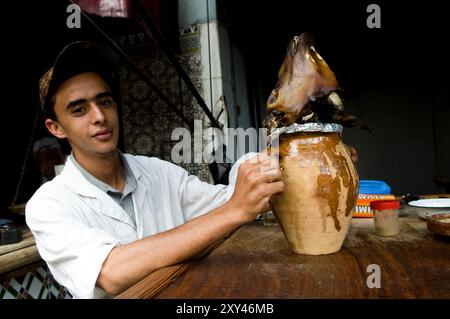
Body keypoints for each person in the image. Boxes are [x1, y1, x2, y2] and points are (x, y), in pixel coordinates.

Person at [25, 41, 284, 298]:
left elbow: (229, 198)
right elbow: (110, 273)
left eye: (104, 102)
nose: (99, 117)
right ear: (56, 128)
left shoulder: (158, 172)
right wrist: (234, 210)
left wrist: (271, 157)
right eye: (79, 110)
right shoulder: (49, 205)